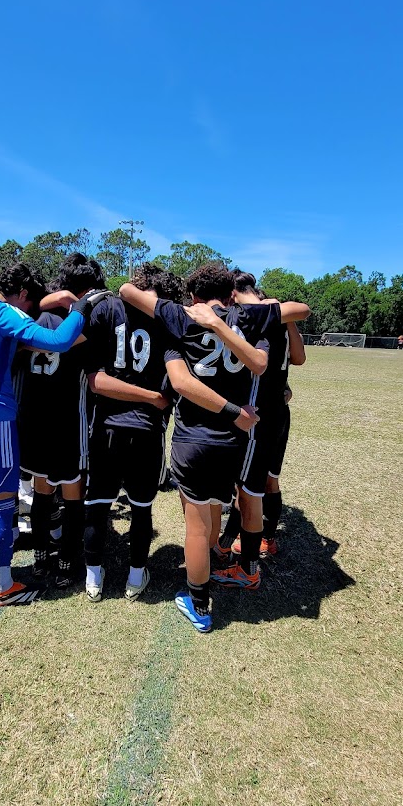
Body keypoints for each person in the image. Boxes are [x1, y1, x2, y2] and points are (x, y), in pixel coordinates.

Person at [120, 265, 273, 633]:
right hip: (232, 441)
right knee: (214, 509)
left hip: (193, 439)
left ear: (193, 297)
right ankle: (213, 565)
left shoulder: (179, 317)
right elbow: (264, 356)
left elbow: (126, 290)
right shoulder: (251, 319)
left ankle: (199, 603)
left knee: (196, 525)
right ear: (231, 293)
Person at [0, 262, 109, 607]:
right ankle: (2, 586)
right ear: (21, 293)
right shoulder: (4, 313)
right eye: (29, 302)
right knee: (1, 503)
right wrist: (82, 306)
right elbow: (59, 340)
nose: (30, 309)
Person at [82, 265, 183, 602]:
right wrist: (150, 396)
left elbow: (97, 381)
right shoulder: (167, 319)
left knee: (98, 505)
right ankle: (135, 578)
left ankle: (93, 579)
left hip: (108, 426)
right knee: (141, 509)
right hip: (146, 429)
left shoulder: (107, 309)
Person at [16, 254, 106, 588]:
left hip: (35, 422)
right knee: (73, 496)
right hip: (68, 422)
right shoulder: (80, 323)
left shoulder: (34, 318)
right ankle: (67, 561)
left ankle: (41, 558)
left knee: (42, 492)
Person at [214, 272, 308, 563]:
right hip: (279, 413)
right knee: (266, 482)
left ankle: (239, 553)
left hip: (259, 416)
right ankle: (265, 539)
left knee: (247, 489)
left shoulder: (256, 317)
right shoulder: (278, 314)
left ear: (233, 293)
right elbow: (299, 358)